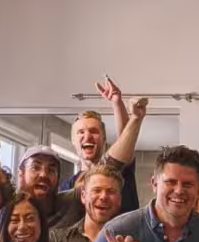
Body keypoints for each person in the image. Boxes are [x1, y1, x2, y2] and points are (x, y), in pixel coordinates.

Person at [59, 77, 142, 213]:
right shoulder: (67, 185)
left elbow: (126, 139)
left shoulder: (119, 170)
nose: (88, 136)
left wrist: (117, 103)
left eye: (94, 131)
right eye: (81, 132)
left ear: (104, 139)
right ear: (73, 141)